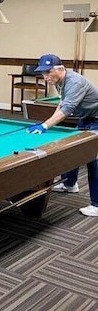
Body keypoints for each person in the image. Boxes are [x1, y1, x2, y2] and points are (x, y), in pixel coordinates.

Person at [27, 54, 98, 217]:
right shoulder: (59, 80)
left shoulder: (75, 82)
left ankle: (97, 204)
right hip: (86, 118)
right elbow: (62, 103)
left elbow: (66, 110)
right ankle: (70, 184)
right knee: (74, 149)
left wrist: (45, 125)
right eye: (43, 73)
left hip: (97, 119)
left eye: (48, 72)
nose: (45, 77)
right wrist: (48, 121)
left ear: (60, 69)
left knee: (93, 158)